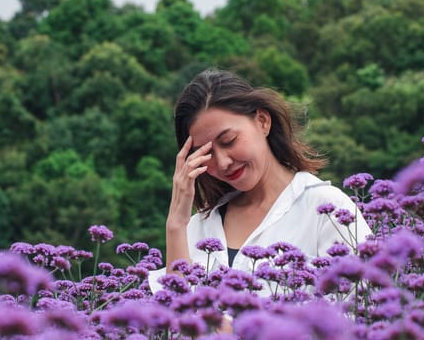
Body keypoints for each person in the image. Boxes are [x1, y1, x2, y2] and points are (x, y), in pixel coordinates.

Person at [148, 69, 371, 292]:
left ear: (262, 121)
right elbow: (177, 319)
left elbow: (361, 306)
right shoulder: (198, 228)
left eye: (229, 141)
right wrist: (176, 224)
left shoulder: (328, 210)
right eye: (206, 154)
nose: (223, 162)